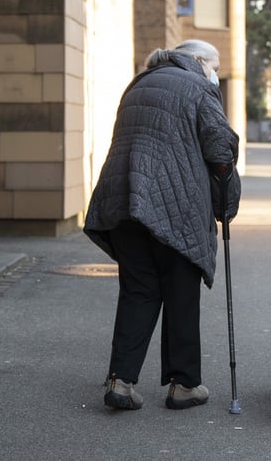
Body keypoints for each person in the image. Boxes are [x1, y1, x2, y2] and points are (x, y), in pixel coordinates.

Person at [84, 39, 241, 411]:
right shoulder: (198, 87)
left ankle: (120, 382)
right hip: (177, 202)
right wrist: (225, 205)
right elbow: (220, 150)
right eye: (215, 67)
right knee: (181, 292)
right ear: (198, 61)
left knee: (139, 290)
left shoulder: (139, 83)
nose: (216, 75)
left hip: (125, 199)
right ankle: (183, 385)